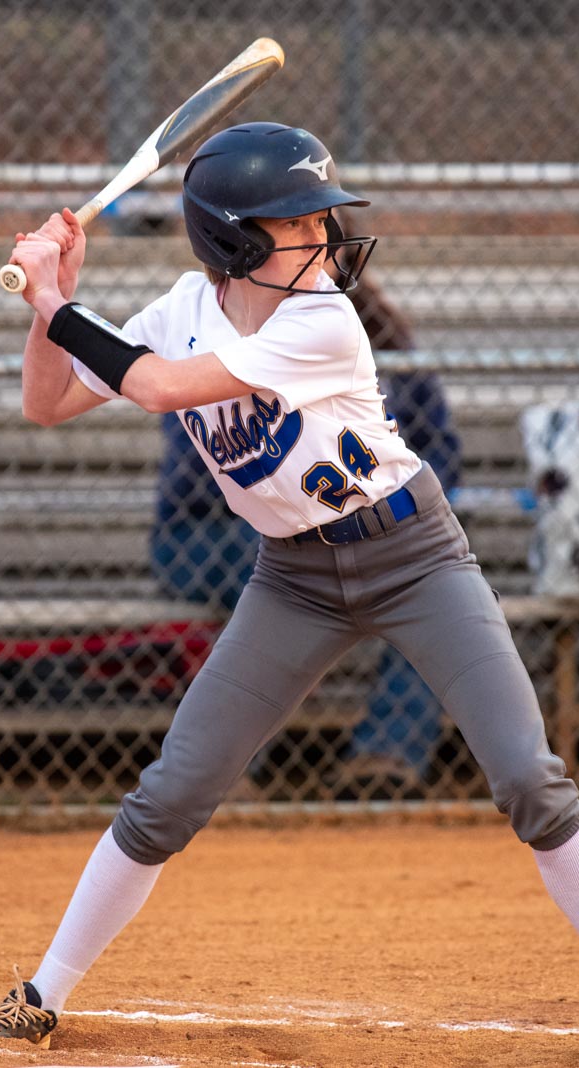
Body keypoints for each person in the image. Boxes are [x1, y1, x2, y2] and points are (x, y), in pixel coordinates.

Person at [0, 122, 579, 1068]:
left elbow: (161, 390)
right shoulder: (181, 310)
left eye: (321, 220)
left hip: (413, 556)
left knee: (527, 776)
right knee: (171, 792)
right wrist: (47, 304)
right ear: (233, 241)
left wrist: (58, 300)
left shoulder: (325, 319)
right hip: (293, 580)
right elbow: (48, 403)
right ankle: (39, 997)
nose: (324, 239)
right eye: (298, 225)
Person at [148, 216, 463, 797]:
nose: (316, 260)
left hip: (346, 534)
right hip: (207, 533)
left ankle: (385, 757)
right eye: (297, 239)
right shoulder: (219, 337)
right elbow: (206, 478)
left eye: (326, 244)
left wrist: (382, 509)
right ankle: (224, 774)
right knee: (281, 572)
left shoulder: (377, 340)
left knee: (423, 580)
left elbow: (441, 452)